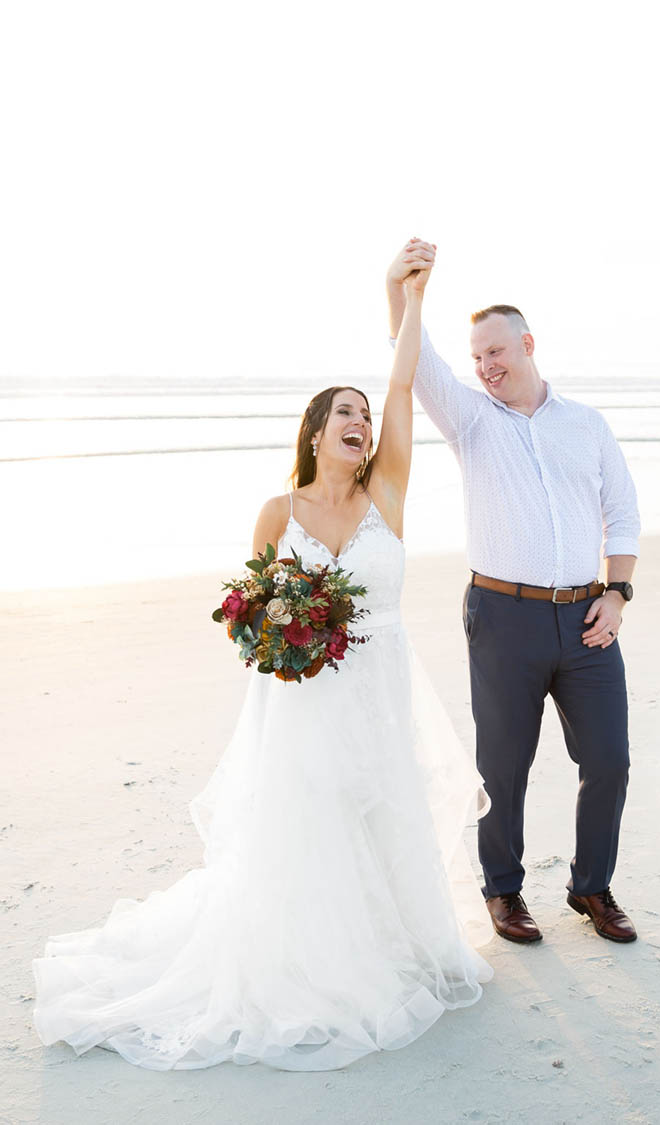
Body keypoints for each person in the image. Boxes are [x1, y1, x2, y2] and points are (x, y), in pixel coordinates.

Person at [31, 261, 494, 1073]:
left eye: (363, 414)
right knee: (311, 825)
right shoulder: (278, 513)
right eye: (342, 412)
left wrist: (411, 299)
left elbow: (401, 378)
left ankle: (398, 944)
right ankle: (313, 958)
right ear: (315, 431)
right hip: (304, 703)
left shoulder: (388, 492)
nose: (359, 419)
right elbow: (253, 620)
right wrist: (287, 639)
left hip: (385, 693)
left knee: (389, 812)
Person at [386, 238, 640, 946]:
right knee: (503, 764)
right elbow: (416, 360)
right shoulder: (470, 420)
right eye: (477, 358)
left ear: (527, 344)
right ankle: (503, 889)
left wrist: (617, 593)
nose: (485, 366)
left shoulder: (585, 425)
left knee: (610, 759)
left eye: (496, 351)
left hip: (587, 616)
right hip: (501, 616)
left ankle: (592, 886)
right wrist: (404, 293)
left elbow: (622, 511)